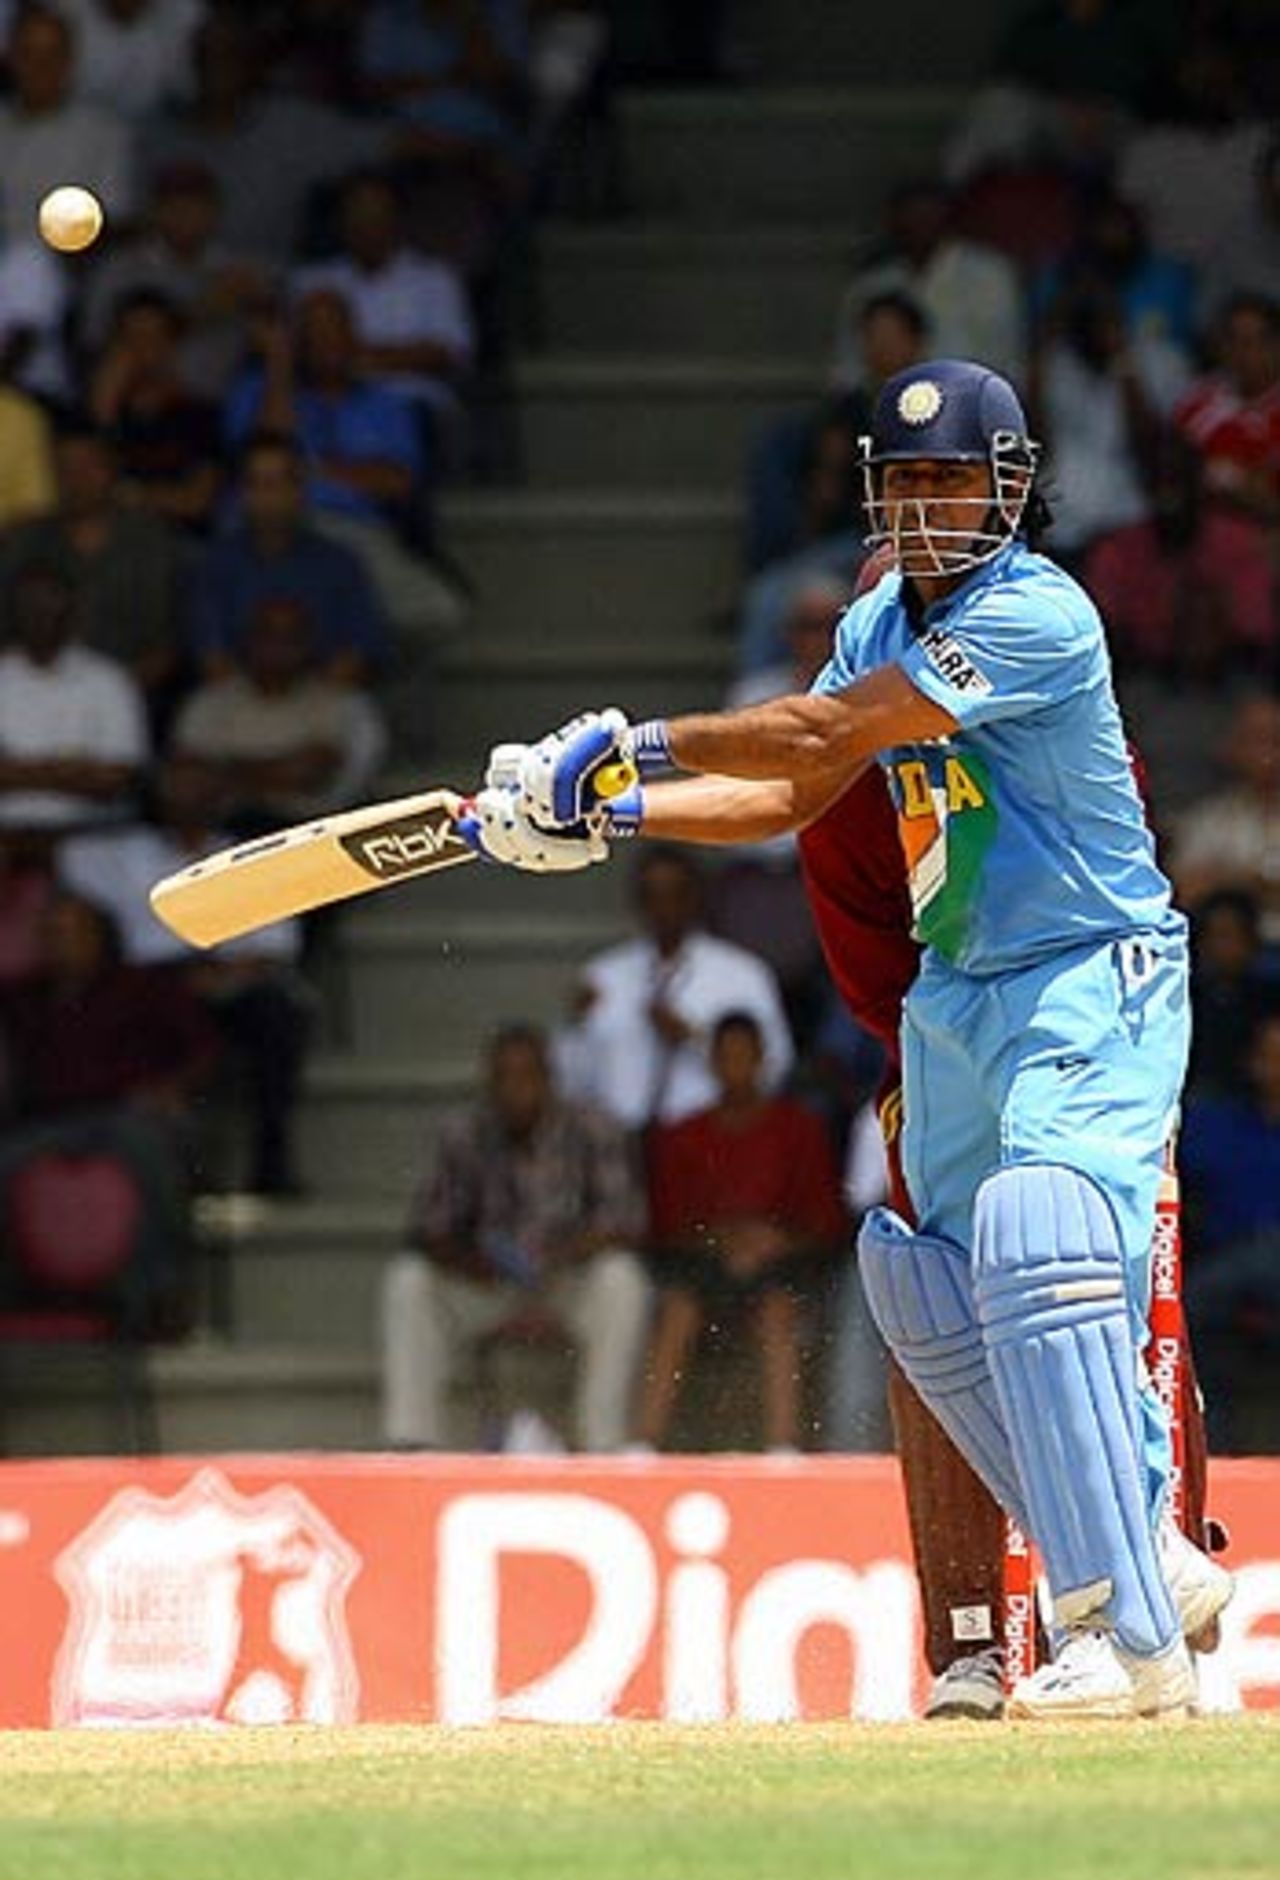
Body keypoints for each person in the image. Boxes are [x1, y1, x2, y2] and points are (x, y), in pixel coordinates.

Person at [459, 357, 1233, 1721]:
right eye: (908, 479)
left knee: (1039, 1243)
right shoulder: (877, 620)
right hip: (956, 988)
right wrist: (606, 819)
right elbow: (794, 788)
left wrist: (629, 747)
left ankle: (1121, 1628)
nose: (929, 507)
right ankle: (1144, 1556)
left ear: (1010, 490)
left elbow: (825, 725)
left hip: (1083, 972)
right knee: (924, 1287)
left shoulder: (1039, 612)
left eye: (955, 480)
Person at [379, 1023, 649, 1451]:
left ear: (550, 1079)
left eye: (527, 1076)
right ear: (488, 1084)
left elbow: (626, 1223)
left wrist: (560, 1254)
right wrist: (474, 1261)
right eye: (503, 1078)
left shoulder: (593, 1128)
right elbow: (428, 1229)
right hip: (489, 1285)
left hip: (567, 1281)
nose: (515, 1090)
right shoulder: (464, 1133)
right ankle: (412, 1441)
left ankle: (603, 1442)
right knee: (409, 1280)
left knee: (621, 1278)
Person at [638, 1010, 846, 1454]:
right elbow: (666, 1228)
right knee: (677, 1309)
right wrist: (722, 1241)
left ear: (761, 1060)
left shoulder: (799, 1130)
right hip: (705, 1268)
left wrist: (775, 1241)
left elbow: (827, 1223)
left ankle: (783, 1446)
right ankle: (644, 1443)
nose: (735, 1067)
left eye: (743, 1056)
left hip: (781, 1269)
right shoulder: (684, 1135)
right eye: (725, 1057)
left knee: (777, 1311)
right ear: (712, 1063)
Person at [553, 845, 793, 1134]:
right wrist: (576, 1026)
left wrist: (697, 1040)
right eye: (651, 896)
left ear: (696, 897)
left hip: (708, 1141)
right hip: (619, 1140)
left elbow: (776, 1067)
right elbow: (569, 1080)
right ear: (637, 901)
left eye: (675, 894)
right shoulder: (603, 977)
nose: (663, 908)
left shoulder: (743, 974)